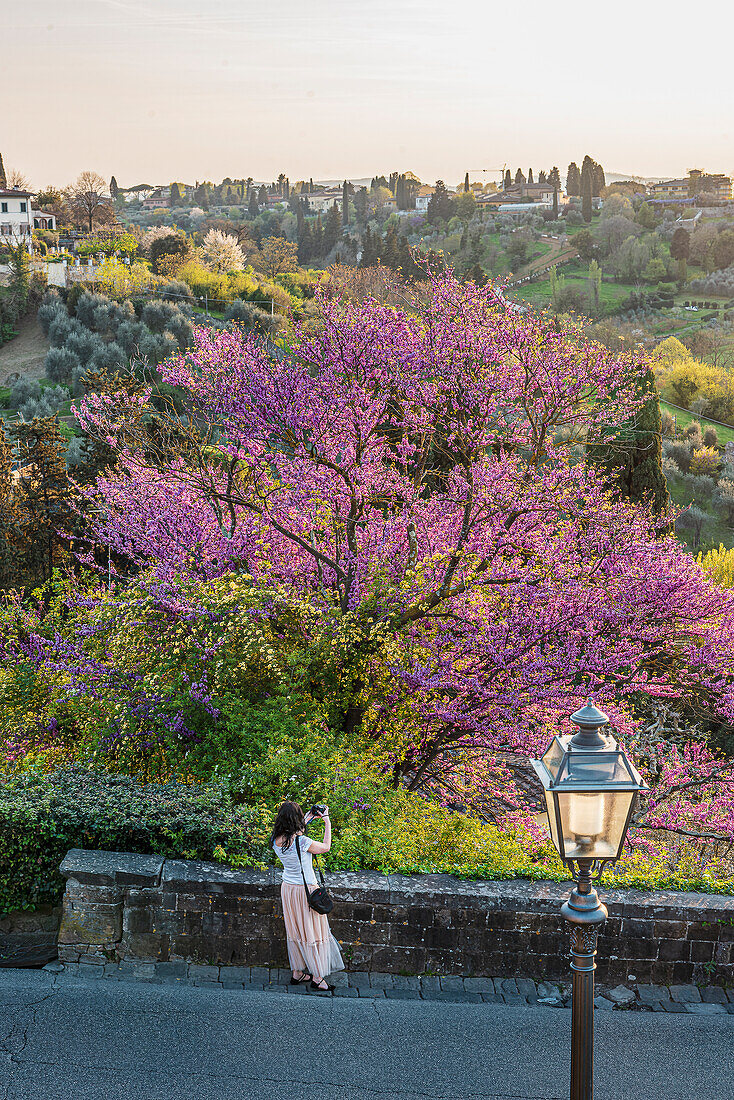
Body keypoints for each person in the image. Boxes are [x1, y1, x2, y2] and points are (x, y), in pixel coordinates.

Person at [271, 801, 344, 993]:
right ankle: (318, 978)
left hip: (288, 889)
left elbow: (295, 831)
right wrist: (327, 821)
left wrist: (309, 818)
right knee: (313, 931)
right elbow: (326, 847)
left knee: (295, 930)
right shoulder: (302, 842)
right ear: (296, 819)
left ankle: (297, 972)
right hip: (306, 891)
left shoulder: (277, 840)